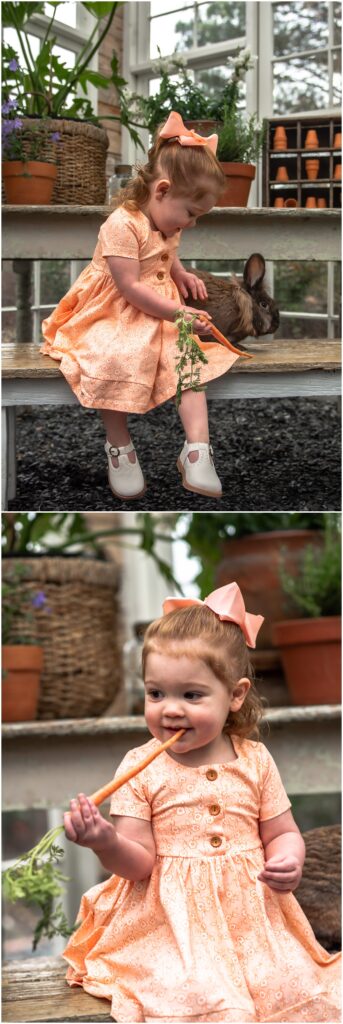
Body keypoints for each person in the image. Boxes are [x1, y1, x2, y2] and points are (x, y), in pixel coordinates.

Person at [63, 582, 341, 1024]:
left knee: (292, 987)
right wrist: (103, 841)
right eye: (156, 694)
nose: (169, 709)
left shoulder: (254, 759)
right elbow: (138, 864)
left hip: (253, 924)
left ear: (235, 695)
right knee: (203, 997)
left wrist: (289, 859)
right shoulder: (141, 767)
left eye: (191, 695)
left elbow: (282, 832)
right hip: (172, 926)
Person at [40, 111, 240, 502]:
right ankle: (120, 446)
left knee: (187, 357)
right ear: (162, 191)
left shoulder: (169, 222)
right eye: (191, 214)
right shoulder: (120, 224)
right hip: (113, 310)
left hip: (158, 308)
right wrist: (179, 313)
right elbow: (129, 287)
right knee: (111, 356)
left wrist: (178, 273)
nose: (191, 225)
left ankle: (197, 449)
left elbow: (165, 250)